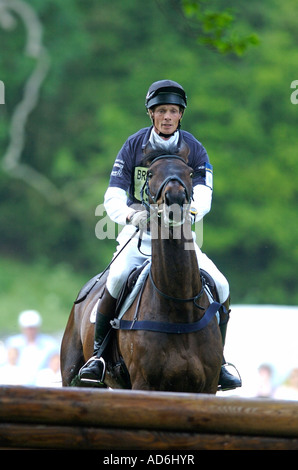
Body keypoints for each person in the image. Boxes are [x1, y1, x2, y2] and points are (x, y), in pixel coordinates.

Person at [80, 79, 241, 391]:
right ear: (151, 114)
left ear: (180, 115)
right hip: (139, 236)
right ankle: (98, 356)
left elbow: (204, 194)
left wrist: (188, 214)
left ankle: (218, 361)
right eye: (161, 110)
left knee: (220, 283)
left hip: (180, 235)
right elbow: (113, 196)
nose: (167, 116)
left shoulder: (194, 148)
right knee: (116, 277)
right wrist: (132, 214)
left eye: (173, 111)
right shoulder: (133, 146)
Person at [5, 309, 58, 385]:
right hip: (18, 383)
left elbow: (55, 365)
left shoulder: (50, 344)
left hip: (43, 383)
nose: (30, 331)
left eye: (32, 328)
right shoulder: (13, 343)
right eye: (27, 328)